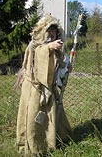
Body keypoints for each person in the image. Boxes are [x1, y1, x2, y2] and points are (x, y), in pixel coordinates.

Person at [15, 15, 72, 156]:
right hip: (34, 90)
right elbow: (34, 65)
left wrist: (66, 67)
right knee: (33, 118)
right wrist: (48, 48)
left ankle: (50, 142)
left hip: (49, 90)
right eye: (49, 30)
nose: (52, 34)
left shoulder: (57, 51)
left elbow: (58, 72)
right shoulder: (33, 46)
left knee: (50, 117)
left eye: (54, 31)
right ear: (42, 31)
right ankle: (33, 146)